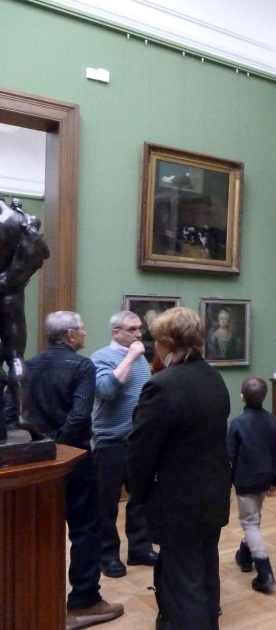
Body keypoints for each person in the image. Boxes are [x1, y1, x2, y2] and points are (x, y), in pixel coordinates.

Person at [128, 307, 231, 630]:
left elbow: (142, 451)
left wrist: (138, 493)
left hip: (179, 501)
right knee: (205, 569)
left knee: (183, 582)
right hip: (212, 494)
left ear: (165, 343)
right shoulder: (214, 377)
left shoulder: (162, 386)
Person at [25, 311, 124, 629]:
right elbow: (81, 415)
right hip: (74, 459)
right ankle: (84, 600)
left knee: (38, 531)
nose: (84, 333)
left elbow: (19, 412)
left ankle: (34, 598)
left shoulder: (31, 365)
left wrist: (44, 446)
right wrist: (61, 449)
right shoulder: (82, 365)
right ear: (69, 335)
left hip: (36, 460)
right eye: (81, 329)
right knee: (85, 531)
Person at [91, 311, 156, 579]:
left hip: (138, 440)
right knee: (107, 503)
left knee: (140, 497)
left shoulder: (142, 359)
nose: (139, 334)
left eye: (140, 328)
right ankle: (108, 555)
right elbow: (106, 390)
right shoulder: (101, 357)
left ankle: (139, 548)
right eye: (132, 329)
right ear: (116, 332)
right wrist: (130, 356)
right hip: (110, 441)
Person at [227, 376, 276, 594]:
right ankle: (244, 555)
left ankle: (265, 573)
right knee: (254, 520)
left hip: (245, 480)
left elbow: (230, 456)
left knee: (250, 523)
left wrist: (227, 481)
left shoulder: (237, 424)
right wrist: (275, 480)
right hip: (265, 479)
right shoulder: (273, 421)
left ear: (242, 396)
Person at [0, 197, 49, 437]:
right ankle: (21, 414)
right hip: (10, 295)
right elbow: (38, 256)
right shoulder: (20, 220)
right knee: (15, 356)